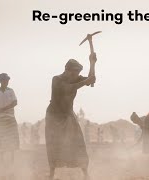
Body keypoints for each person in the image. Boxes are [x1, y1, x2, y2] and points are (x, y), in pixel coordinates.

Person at [45, 52, 96, 180]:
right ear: (67, 70)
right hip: (54, 116)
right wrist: (85, 82)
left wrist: (92, 63)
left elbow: (91, 79)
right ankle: (52, 173)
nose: (76, 76)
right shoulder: (56, 79)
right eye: (74, 73)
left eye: (77, 74)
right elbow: (67, 89)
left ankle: (85, 173)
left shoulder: (74, 78)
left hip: (68, 115)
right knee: (54, 144)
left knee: (78, 143)